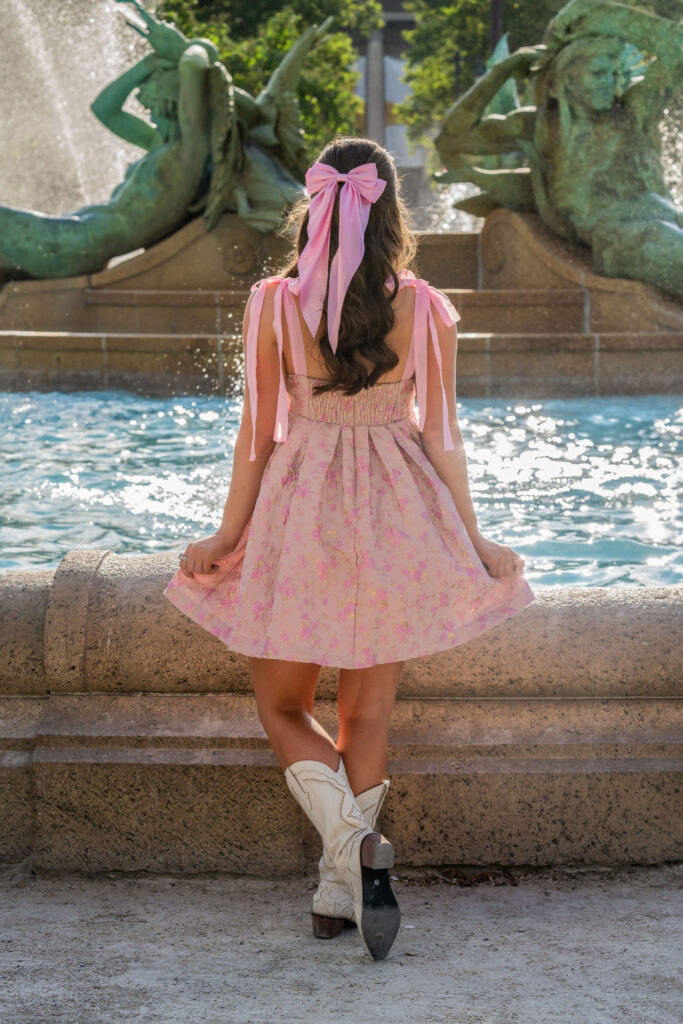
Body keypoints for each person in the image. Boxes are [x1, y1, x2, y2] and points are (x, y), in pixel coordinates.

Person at [162, 135, 536, 961]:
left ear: (315, 209)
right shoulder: (422, 306)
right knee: (366, 710)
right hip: (398, 508)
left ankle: (347, 862)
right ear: (390, 211)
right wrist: (471, 537)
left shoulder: (273, 303)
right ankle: (344, 876)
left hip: (303, 509)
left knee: (281, 704)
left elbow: (256, 435)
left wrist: (228, 534)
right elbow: (441, 434)